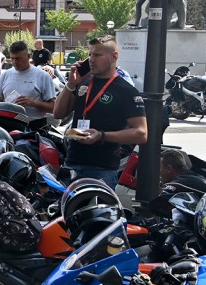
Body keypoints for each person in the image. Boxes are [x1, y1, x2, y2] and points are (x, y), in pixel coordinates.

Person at [53, 35, 148, 188]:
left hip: (101, 169)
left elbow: (141, 134)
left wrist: (101, 135)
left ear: (114, 57)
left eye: (97, 55)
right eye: (90, 54)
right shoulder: (82, 82)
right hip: (72, 163)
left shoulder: (126, 91)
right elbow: (58, 113)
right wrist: (70, 85)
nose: (91, 59)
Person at [0, 40, 57, 126]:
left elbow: (54, 108)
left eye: (18, 58)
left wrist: (33, 102)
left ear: (29, 56)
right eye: (12, 58)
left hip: (34, 125)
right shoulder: (6, 74)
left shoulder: (42, 76)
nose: (15, 62)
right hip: (8, 124)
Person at [149, 148, 206, 223]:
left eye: (159, 167)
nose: (158, 172)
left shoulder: (178, 184)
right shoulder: (198, 177)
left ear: (169, 169)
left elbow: (156, 205)